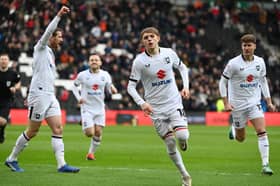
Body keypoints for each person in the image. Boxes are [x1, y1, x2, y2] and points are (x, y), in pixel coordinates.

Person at [5, 6, 80, 173]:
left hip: (49, 95)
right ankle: (11, 158)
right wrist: (59, 16)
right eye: (59, 36)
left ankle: (61, 165)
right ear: (51, 37)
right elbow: (48, 31)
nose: (61, 40)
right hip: (39, 95)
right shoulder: (40, 47)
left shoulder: (51, 54)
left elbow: (41, 74)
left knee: (58, 128)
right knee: (32, 131)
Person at [127, 27, 192, 186]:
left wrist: (186, 86)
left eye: (152, 36)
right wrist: (142, 103)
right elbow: (130, 87)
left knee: (182, 136)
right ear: (143, 42)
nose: (149, 39)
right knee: (170, 143)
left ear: (158, 38)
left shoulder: (169, 53)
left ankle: (183, 141)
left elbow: (182, 68)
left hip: (173, 102)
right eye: (146, 38)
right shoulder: (139, 61)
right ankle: (185, 176)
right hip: (155, 109)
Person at [219, 34, 277, 175]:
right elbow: (223, 82)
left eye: (249, 45)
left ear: (255, 46)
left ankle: (265, 165)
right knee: (241, 139)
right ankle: (234, 129)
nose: (246, 48)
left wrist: (269, 101)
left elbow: (263, 81)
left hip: (254, 103)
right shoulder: (233, 63)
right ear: (242, 47)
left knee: (262, 132)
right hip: (237, 105)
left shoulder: (260, 62)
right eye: (244, 45)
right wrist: (226, 103)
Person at [72, 53, 118, 160]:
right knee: (89, 133)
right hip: (87, 108)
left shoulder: (105, 75)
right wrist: (79, 98)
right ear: (89, 63)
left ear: (100, 63)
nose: (94, 61)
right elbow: (74, 87)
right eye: (92, 60)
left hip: (100, 108)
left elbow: (109, 85)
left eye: (96, 60)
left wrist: (113, 89)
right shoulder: (82, 75)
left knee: (98, 132)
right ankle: (84, 121)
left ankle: (90, 154)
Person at [0, 53, 21, 143]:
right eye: (2, 59)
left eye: (5, 59)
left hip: (6, 100)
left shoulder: (13, 74)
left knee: (2, 122)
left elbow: (19, 83)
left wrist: (15, 88)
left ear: (8, 61)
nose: (3, 61)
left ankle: (1, 132)